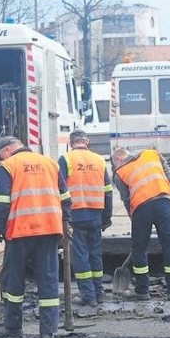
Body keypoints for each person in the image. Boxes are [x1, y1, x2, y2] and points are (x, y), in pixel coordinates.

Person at [0, 136, 72, 338]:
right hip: (49, 229)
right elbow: (65, 197)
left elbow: (1, 203)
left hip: (20, 231)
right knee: (49, 280)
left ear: (7, 151)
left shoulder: (7, 166)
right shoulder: (50, 163)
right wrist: (66, 222)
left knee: (14, 280)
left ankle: (13, 327)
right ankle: (47, 331)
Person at [112, 147, 170, 301]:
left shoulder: (120, 172)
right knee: (169, 245)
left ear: (118, 159)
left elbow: (126, 199)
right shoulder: (151, 153)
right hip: (163, 202)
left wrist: (134, 218)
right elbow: (166, 168)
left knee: (139, 249)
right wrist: (168, 178)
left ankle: (142, 290)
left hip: (141, 209)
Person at [58, 129, 112, 307]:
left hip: (75, 214)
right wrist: (107, 217)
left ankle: (88, 296)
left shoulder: (65, 159)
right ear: (87, 142)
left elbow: (60, 189)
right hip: (96, 213)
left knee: (80, 256)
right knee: (95, 255)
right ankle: (99, 293)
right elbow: (108, 191)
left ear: (70, 143)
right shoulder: (99, 160)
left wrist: (61, 216)